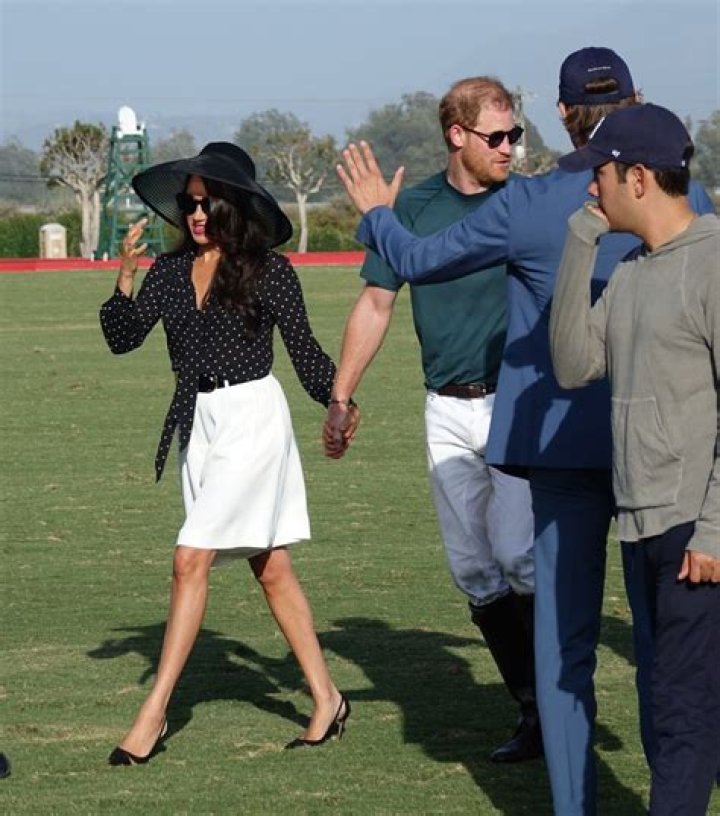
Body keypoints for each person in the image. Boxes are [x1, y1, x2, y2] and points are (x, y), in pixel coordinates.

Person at [335, 48, 714, 815]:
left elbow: (416, 260)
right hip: (670, 452)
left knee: (565, 649)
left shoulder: (532, 203)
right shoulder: (687, 195)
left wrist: (376, 213)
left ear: (562, 114)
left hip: (562, 445)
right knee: (664, 654)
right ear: (638, 103)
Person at [99, 142, 358, 764]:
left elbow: (306, 353)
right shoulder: (168, 272)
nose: (194, 213)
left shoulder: (270, 270)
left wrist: (341, 402)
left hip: (252, 421)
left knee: (190, 558)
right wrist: (125, 277)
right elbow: (122, 338)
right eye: (188, 203)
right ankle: (327, 697)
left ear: (233, 205)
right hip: (198, 426)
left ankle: (154, 712)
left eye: (206, 202)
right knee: (270, 567)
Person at [324, 77, 538, 763]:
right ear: (456, 135)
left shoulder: (526, 204)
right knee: (475, 571)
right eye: (496, 137)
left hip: (516, 403)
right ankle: (534, 711)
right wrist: (340, 396)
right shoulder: (411, 208)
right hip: (444, 405)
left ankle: (562, 703)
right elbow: (376, 303)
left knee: (520, 557)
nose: (509, 148)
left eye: (514, 135)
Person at [549, 102, 720, 816]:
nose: (591, 187)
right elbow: (572, 364)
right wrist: (580, 241)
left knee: (682, 710)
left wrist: (714, 530)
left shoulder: (712, 263)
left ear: (639, 177)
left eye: (601, 174)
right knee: (674, 700)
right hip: (641, 523)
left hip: (695, 534)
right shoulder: (630, 272)